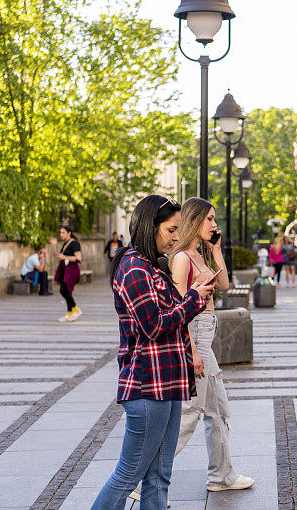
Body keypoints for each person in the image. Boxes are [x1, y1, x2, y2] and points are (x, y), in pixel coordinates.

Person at [92, 195, 213, 510]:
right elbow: (155, 325)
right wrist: (194, 299)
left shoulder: (151, 266)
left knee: (160, 476)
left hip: (168, 382)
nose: (176, 237)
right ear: (150, 226)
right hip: (147, 387)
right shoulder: (134, 268)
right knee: (127, 476)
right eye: (171, 230)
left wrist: (191, 297)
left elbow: (170, 315)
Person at [128, 198, 253, 501]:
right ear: (195, 221)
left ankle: (221, 475)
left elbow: (223, 284)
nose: (214, 224)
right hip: (195, 338)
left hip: (204, 339)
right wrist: (193, 352)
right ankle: (141, 482)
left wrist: (216, 249)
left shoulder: (199, 254)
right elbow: (178, 307)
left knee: (216, 410)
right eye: (209, 218)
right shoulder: (182, 258)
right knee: (191, 413)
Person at [50, 226, 82, 322]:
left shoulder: (74, 243)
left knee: (64, 290)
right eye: (60, 233)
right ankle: (69, 313)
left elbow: (78, 258)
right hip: (65, 269)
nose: (61, 235)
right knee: (67, 290)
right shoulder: (65, 244)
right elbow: (59, 256)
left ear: (69, 233)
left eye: (63, 232)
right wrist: (55, 245)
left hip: (72, 269)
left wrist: (65, 257)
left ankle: (76, 310)